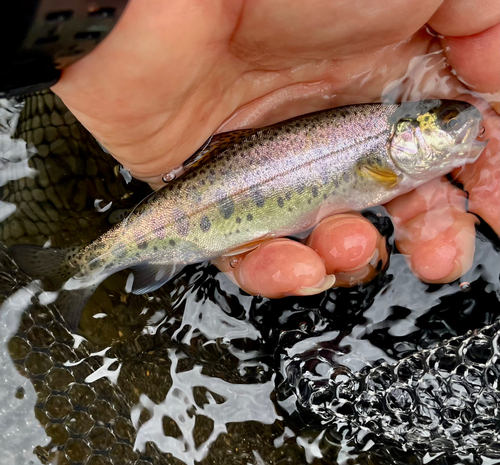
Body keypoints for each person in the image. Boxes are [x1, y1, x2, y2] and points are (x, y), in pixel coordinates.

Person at [52, 0, 500, 298]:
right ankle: (83, 265)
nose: (465, 125)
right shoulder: (383, 153)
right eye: (447, 123)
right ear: (406, 133)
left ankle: (77, 268)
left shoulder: (386, 141)